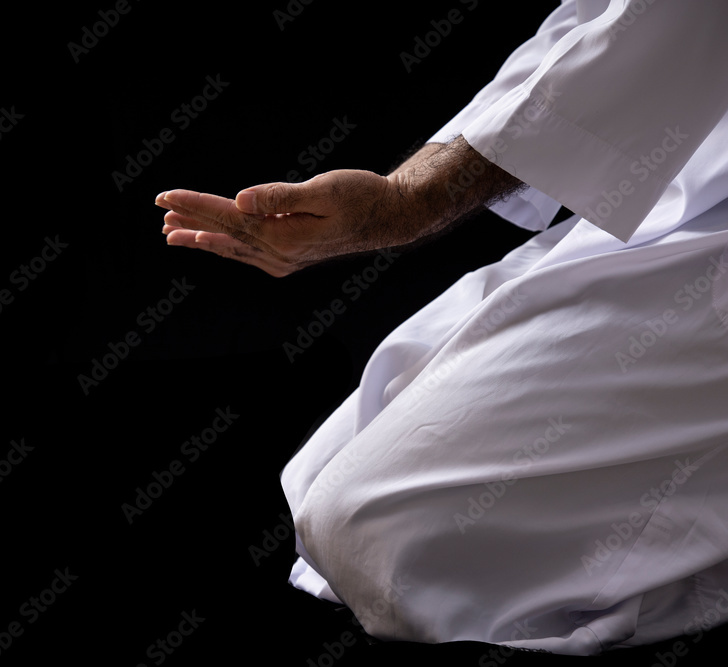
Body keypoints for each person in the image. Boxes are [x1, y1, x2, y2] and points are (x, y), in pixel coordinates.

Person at [154, 0, 728, 655]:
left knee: (383, 529)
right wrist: (408, 189)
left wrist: (412, 202)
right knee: (333, 494)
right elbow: (604, 19)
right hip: (698, 205)